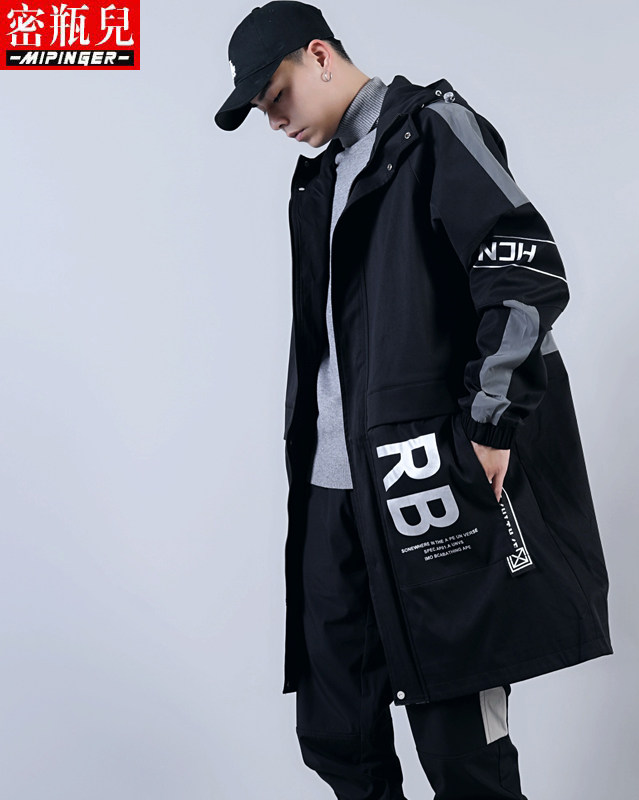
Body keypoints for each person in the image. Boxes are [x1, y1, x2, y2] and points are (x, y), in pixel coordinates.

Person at [214, 3, 613, 798]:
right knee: (337, 733)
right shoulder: (320, 178)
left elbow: (525, 272)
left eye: (277, 95)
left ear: (319, 55)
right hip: (331, 493)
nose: (275, 121)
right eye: (262, 110)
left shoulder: (432, 132)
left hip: (422, 478)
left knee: (461, 745)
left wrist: (491, 423)